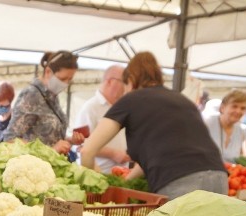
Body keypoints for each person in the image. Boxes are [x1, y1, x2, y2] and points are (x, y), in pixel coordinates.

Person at [80, 52, 227, 199]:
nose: (125, 93)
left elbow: (87, 151)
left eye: (125, 88)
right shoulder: (181, 99)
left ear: (130, 80)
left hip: (180, 183)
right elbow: (152, 160)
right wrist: (125, 184)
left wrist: (96, 189)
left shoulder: (131, 99)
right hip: (219, 178)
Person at [4, 50, 86, 155]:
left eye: (69, 80)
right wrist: (50, 151)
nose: (65, 84)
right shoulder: (31, 95)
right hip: (35, 166)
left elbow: (48, 134)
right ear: (48, 72)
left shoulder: (52, 95)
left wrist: (70, 140)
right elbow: (10, 139)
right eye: (62, 78)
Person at [74, 65, 129, 173]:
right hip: (99, 173)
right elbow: (81, 145)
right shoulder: (91, 108)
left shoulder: (120, 108)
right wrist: (113, 154)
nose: (126, 87)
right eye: (124, 81)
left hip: (121, 173)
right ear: (109, 82)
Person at [204, 89, 246, 163]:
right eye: (234, 106)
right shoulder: (207, 123)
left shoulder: (243, 131)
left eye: (243, 108)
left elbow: (244, 159)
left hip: (231, 173)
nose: (238, 111)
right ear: (222, 108)